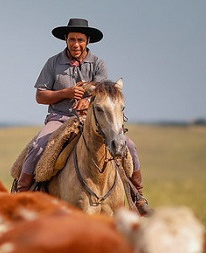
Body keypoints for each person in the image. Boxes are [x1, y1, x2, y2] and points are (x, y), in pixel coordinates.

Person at [15, 18, 152, 215]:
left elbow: (102, 94)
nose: (76, 44)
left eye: (80, 39)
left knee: (128, 145)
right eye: (72, 39)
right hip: (59, 117)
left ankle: (138, 198)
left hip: (94, 119)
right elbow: (40, 96)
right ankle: (22, 195)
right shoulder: (53, 63)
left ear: (87, 41)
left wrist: (88, 101)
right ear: (66, 39)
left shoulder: (98, 64)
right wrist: (66, 93)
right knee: (39, 144)